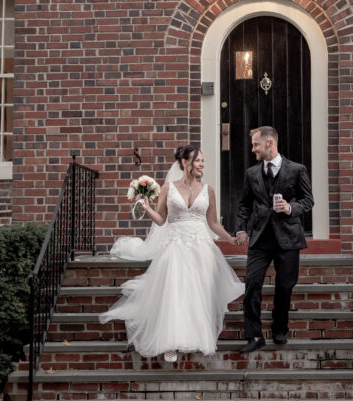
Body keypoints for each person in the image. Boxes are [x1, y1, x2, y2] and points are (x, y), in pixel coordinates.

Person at [100, 144, 243, 362]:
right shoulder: (168, 188)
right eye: (198, 160)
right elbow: (161, 220)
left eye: (203, 160)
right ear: (185, 163)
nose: (202, 164)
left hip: (201, 247)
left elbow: (213, 223)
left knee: (198, 293)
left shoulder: (208, 190)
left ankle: (197, 337)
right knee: (175, 293)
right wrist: (147, 209)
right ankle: (170, 342)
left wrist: (230, 238)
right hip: (175, 245)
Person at [235, 125, 314, 353]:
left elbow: (308, 200)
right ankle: (254, 336)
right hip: (260, 238)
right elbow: (244, 205)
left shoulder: (297, 170)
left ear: (270, 143)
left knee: (285, 287)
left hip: (288, 238)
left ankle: (280, 328)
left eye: (256, 144)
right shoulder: (251, 173)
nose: (253, 149)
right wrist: (241, 229)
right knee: (252, 285)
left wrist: (290, 207)